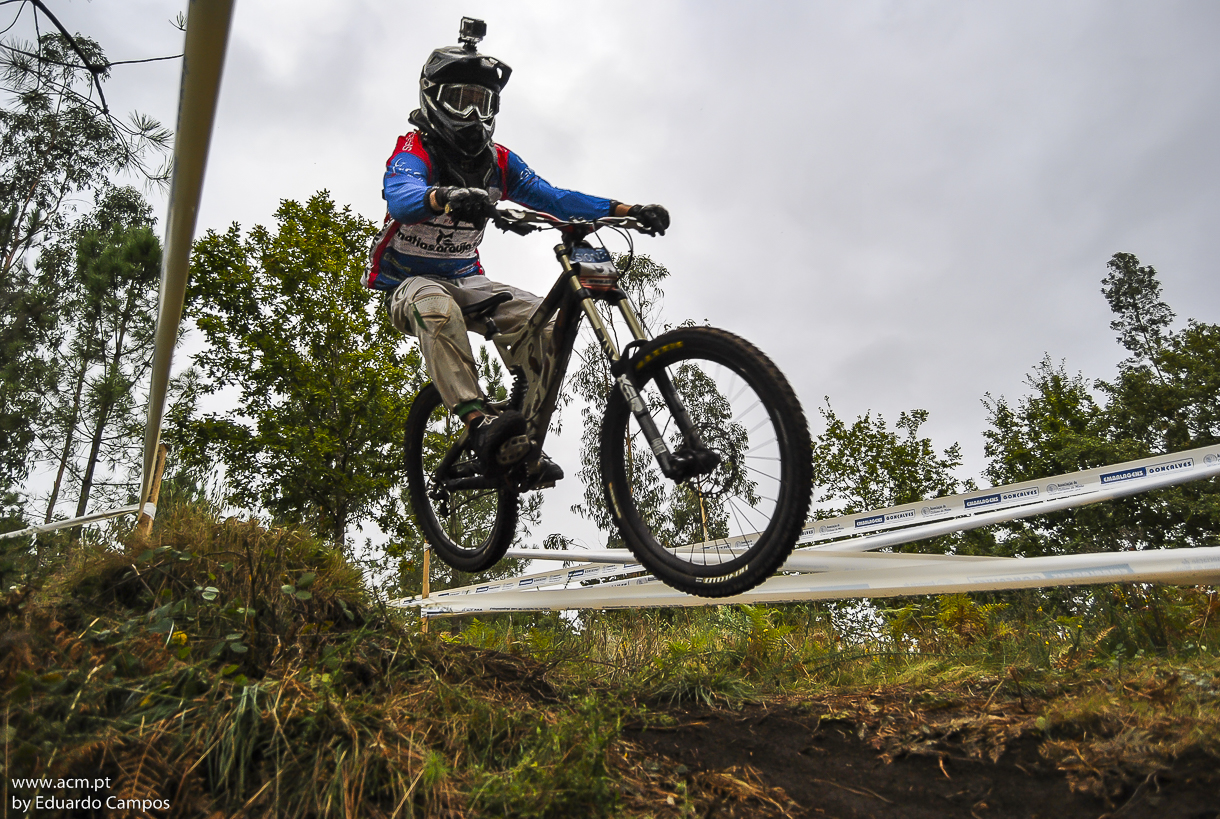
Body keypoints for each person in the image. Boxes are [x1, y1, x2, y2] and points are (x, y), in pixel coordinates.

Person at [363, 19, 669, 484]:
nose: (472, 114)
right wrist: (443, 196)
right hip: (408, 284)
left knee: (546, 324)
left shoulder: (499, 162)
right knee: (436, 308)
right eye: (460, 100)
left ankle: (518, 440)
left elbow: (554, 198)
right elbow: (401, 197)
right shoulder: (414, 150)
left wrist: (626, 209)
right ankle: (478, 424)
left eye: (482, 102)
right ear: (433, 98)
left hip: (469, 280)